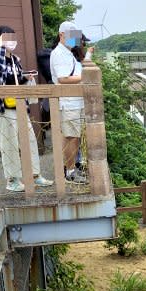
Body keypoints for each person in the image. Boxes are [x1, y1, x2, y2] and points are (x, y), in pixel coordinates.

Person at [0, 25, 53, 192]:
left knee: (29, 140)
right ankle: (13, 180)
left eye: (13, 38)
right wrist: (1, 49)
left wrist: (26, 77)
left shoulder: (15, 59)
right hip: (2, 108)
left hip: (19, 106)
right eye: (6, 38)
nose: (11, 42)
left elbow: (16, 81)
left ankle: (35, 175)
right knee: (9, 144)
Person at [50, 21, 87, 183]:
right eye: (71, 36)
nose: (74, 40)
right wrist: (86, 78)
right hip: (69, 102)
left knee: (75, 137)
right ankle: (70, 172)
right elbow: (63, 78)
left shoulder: (68, 53)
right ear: (61, 35)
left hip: (76, 102)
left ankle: (73, 169)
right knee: (71, 137)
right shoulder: (58, 53)